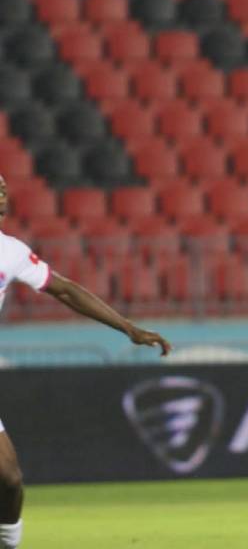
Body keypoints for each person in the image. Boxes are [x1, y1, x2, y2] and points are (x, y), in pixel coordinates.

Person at [0, 173, 171, 549]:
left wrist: (127, 327)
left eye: (3, 188)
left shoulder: (10, 252)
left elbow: (64, 290)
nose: (1, 193)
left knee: (9, 479)